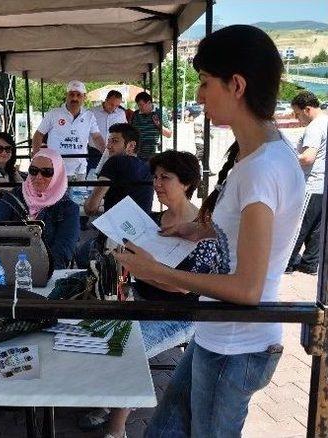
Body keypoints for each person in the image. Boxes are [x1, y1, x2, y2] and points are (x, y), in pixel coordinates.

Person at [115, 25, 306, 437]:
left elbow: (248, 288)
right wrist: (194, 231)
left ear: (236, 85)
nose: (198, 95)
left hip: (235, 345)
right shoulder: (259, 156)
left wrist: (156, 272)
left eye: (204, 83)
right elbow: (244, 239)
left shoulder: (261, 169)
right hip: (217, 335)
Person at [81, 150, 221, 438]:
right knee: (94, 335)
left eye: (165, 178)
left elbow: (188, 287)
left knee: (128, 350)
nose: (157, 183)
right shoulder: (150, 220)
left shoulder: (203, 229)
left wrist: (145, 270)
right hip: (136, 301)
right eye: (155, 177)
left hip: (179, 314)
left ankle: (117, 426)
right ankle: (110, 396)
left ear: (186, 183)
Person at [76, 123, 153, 268]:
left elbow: (91, 208)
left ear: (131, 145)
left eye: (115, 141)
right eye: (109, 141)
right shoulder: (146, 167)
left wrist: (89, 202)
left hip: (116, 239)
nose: (108, 146)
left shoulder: (114, 162)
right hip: (142, 240)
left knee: (79, 253)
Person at [0, 148, 80, 269]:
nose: (38, 177)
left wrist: (37, 274)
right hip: (9, 266)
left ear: (58, 174)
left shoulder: (68, 208)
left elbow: (62, 252)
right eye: (33, 171)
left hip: (46, 271)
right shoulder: (12, 197)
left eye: (47, 172)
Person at [286, 91, 327, 275]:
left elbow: (308, 157)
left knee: (298, 225)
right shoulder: (326, 122)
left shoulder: (314, 128)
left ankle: (286, 263)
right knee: (317, 227)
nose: (297, 118)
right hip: (322, 183)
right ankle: (309, 264)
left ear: (307, 109)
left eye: (297, 113)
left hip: (311, 183)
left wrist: (287, 157)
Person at [32, 80, 106, 182]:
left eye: (78, 95)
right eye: (71, 94)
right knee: (57, 197)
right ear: (66, 96)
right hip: (55, 169)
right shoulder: (53, 114)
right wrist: (36, 156)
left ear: (84, 97)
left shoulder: (89, 116)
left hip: (79, 170)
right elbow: (38, 135)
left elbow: (97, 137)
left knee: (78, 197)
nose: (74, 98)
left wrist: (106, 154)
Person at [87, 90, 127, 177]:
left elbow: (125, 131)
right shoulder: (91, 112)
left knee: (111, 177)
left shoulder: (121, 114)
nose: (113, 108)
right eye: (111, 104)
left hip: (114, 152)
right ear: (105, 100)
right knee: (92, 177)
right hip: (94, 152)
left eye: (117, 105)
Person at [131, 91, 172, 161]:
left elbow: (169, 134)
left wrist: (158, 125)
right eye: (138, 105)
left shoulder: (159, 113)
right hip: (138, 155)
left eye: (142, 105)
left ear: (149, 103)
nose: (140, 107)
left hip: (155, 155)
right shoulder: (135, 115)